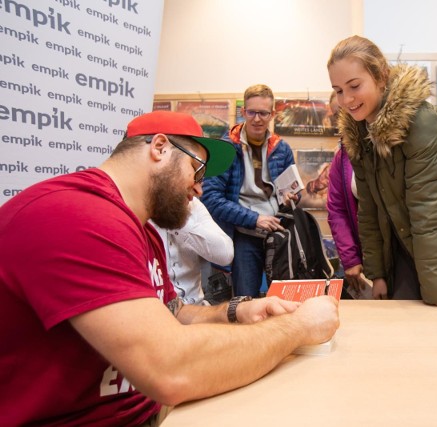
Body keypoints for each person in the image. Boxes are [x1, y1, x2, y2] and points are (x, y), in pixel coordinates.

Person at [0, 110, 340, 426]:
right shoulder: (77, 218)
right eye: (197, 170)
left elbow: (172, 312)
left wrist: (238, 310)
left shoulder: (141, 228)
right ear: (160, 148)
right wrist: (298, 328)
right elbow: (172, 369)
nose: (199, 188)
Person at [327, 35, 437, 308]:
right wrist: (378, 274)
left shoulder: (421, 122)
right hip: (409, 249)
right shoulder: (359, 132)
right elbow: (370, 211)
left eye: (354, 86)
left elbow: (428, 210)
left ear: (381, 76)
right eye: (338, 90)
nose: (346, 99)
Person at [201, 84, 298, 297]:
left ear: (272, 114)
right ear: (243, 112)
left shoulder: (282, 149)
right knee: (245, 301)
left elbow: (292, 192)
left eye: (263, 113)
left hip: (278, 234)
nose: (257, 119)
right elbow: (211, 198)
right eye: (252, 112)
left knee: (285, 299)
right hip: (244, 234)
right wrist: (254, 219)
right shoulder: (225, 149)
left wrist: (291, 198)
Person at [326, 91, 369, 298]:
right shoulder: (341, 157)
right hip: (364, 254)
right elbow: (337, 210)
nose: (342, 117)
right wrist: (351, 259)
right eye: (337, 113)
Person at [151, 197, 234, 305]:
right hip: (157, 310)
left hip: (196, 305)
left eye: (199, 180)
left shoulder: (192, 203)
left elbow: (225, 254)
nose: (199, 190)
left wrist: (177, 222)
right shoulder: (138, 209)